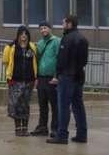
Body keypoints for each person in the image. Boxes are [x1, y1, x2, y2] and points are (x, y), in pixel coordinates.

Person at [48, 14, 90, 145]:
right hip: (78, 76)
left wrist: (57, 75)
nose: (62, 26)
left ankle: (62, 135)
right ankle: (82, 134)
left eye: (63, 23)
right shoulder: (83, 39)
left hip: (67, 76)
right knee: (78, 105)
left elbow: (61, 59)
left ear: (69, 24)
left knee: (64, 106)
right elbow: (84, 61)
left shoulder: (67, 38)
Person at [1, 25, 37, 137]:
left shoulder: (32, 47)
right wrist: (9, 77)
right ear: (18, 35)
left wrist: (36, 78)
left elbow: (36, 62)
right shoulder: (10, 47)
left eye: (26, 34)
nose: (24, 36)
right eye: (21, 34)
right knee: (15, 104)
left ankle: (25, 129)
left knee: (25, 104)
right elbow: (6, 62)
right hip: (15, 81)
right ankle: (18, 128)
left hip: (29, 81)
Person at [31, 21, 61, 137]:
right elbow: (36, 61)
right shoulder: (39, 43)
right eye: (41, 28)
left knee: (54, 105)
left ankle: (55, 128)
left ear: (50, 28)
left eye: (45, 28)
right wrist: (37, 77)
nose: (43, 30)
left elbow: (59, 59)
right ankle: (42, 127)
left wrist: (56, 76)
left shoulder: (56, 41)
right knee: (42, 104)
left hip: (51, 78)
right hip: (41, 78)